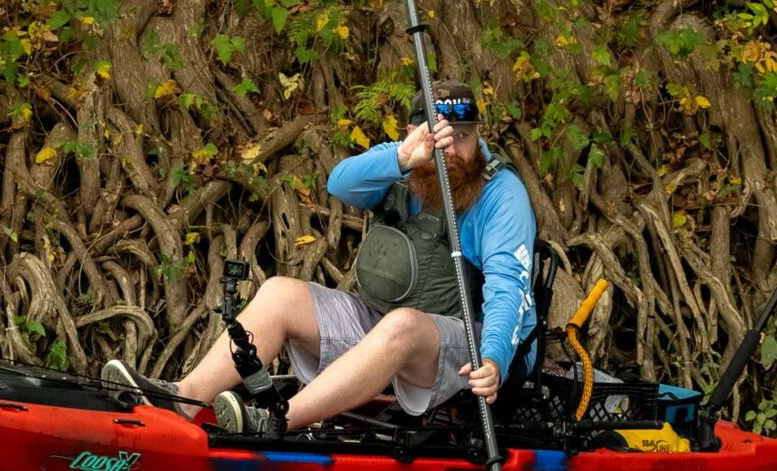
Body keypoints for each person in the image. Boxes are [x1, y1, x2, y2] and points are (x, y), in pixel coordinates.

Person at [102, 80, 537, 433]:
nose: (455, 152)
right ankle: (183, 399)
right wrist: (405, 158)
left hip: (473, 346)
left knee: (402, 325)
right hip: (388, 324)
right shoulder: (404, 164)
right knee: (278, 294)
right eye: (443, 139)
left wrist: (494, 358)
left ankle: (277, 421)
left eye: (465, 137)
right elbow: (339, 184)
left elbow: (508, 289)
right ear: (414, 134)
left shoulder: (501, 194)